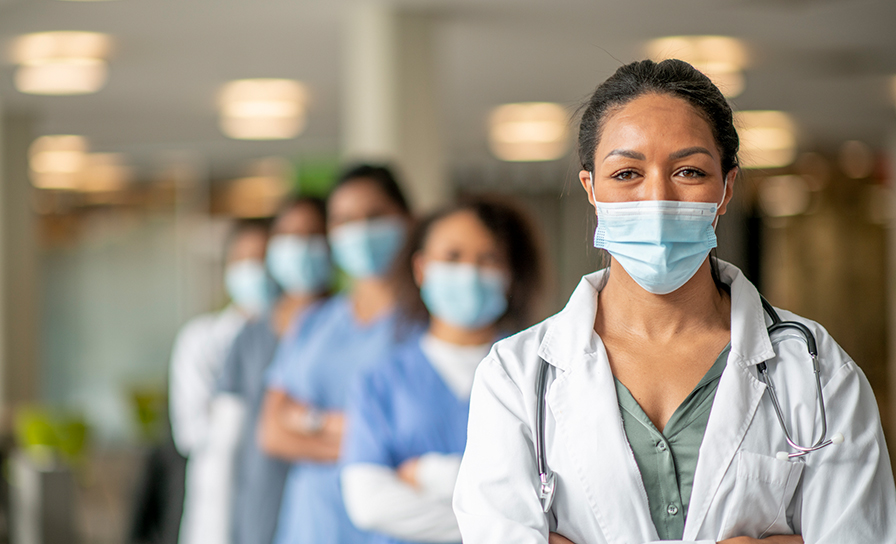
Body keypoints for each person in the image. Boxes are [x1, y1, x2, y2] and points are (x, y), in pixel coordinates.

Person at [452, 59, 896, 544]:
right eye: (626, 173)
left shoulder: (816, 369)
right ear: (592, 190)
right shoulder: (515, 376)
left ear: (726, 189)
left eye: (688, 170)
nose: (657, 197)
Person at [341, 199, 544, 544]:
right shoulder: (381, 381)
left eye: (489, 259)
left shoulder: (537, 373)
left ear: (510, 275)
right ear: (421, 269)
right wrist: (501, 523)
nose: (470, 272)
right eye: (453, 256)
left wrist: (428, 475)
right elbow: (369, 503)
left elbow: (553, 497)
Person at [259, 164, 413, 544]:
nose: (359, 231)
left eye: (374, 217)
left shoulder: (423, 326)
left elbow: (413, 445)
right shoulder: (314, 323)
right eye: (343, 220)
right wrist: (360, 438)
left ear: (408, 220)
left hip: (389, 530)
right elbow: (272, 432)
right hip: (310, 527)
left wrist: (307, 420)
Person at [211, 197, 331, 544]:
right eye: (289, 236)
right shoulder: (250, 337)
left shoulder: (347, 329)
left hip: (327, 510)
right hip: (258, 507)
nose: (301, 247)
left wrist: (300, 424)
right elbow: (230, 446)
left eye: (312, 235)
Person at [169, 220, 272, 544]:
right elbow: (193, 431)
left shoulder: (296, 340)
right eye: (244, 260)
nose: (254, 271)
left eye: (264, 261)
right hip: (214, 515)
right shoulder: (201, 339)